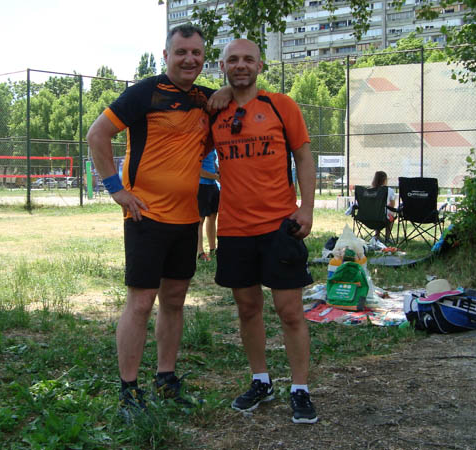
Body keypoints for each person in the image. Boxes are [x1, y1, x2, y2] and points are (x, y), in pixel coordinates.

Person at [86, 23, 228, 418]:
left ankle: (166, 379)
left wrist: (227, 92)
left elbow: (234, 104)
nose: (189, 59)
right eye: (181, 52)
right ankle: (128, 390)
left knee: (175, 300)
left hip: (187, 219)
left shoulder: (207, 99)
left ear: (204, 57)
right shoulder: (144, 93)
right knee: (141, 302)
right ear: (166, 56)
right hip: (145, 216)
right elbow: (97, 135)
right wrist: (116, 189)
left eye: (196, 52)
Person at [209, 38, 318, 424]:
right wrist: (222, 93)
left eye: (248, 59)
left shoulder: (281, 106)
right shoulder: (213, 110)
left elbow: (303, 156)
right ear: (222, 66)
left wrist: (307, 208)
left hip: (279, 227)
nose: (240, 65)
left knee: (290, 312)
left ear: (260, 66)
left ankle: (300, 388)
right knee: (248, 308)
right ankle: (261, 381)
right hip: (234, 229)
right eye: (233, 60)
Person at [197, 151, 220, 261]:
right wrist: (215, 177)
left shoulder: (212, 147)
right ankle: (200, 252)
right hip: (201, 184)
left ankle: (212, 249)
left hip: (212, 185)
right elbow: (197, 170)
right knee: (200, 220)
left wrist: (218, 171)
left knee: (213, 216)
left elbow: (212, 161)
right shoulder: (199, 147)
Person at [370, 170, 396, 242]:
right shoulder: (389, 190)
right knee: (390, 215)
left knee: (377, 213)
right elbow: (392, 205)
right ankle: (387, 237)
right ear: (385, 180)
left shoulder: (369, 190)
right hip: (384, 218)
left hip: (369, 217)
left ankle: (377, 235)